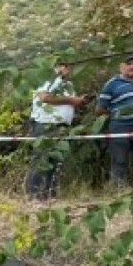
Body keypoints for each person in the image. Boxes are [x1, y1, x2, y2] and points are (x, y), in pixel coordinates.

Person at [26, 60, 87, 200]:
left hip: (63, 126)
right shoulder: (46, 78)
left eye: (67, 65)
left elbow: (66, 102)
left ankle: (49, 194)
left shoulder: (69, 85)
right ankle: (33, 194)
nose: (65, 68)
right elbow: (44, 97)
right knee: (41, 158)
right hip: (45, 124)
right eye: (61, 65)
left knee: (56, 160)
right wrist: (72, 100)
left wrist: (79, 101)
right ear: (54, 67)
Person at [95, 54, 133, 188]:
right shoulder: (112, 84)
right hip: (120, 127)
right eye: (129, 64)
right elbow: (99, 109)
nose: (132, 66)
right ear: (121, 67)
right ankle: (118, 192)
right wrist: (116, 113)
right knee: (119, 160)